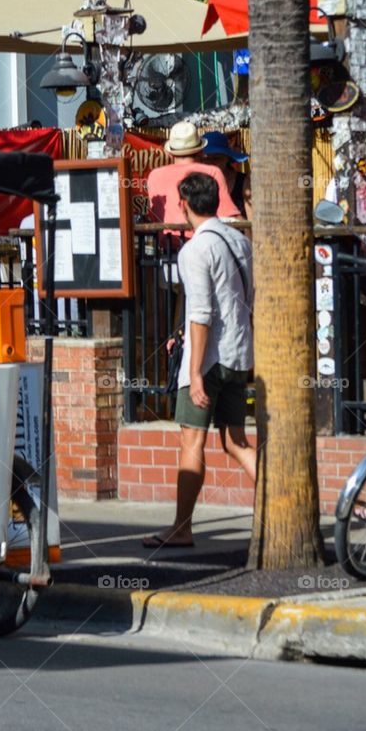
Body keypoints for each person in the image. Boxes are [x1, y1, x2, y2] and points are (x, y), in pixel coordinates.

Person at [144, 172, 255, 549]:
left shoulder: (194, 250)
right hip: (239, 353)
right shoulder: (241, 242)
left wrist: (193, 372)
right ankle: (277, 509)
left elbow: (201, 314)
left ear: (185, 205)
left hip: (207, 360)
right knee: (236, 442)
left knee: (192, 442)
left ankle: (181, 527)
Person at [146, 122, 243, 227]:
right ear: (201, 151)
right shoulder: (212, 172)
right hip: (204, 239)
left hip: (167, 242)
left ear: (170, 154)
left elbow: (154, 216)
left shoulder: (154, 176)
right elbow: (230, 216)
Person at [201, 130, 251, 218]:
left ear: (227, 158)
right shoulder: (194, 184)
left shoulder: (244, 182)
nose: (211, 162)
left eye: (216, 158)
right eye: (206, 158)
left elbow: (252, 221)